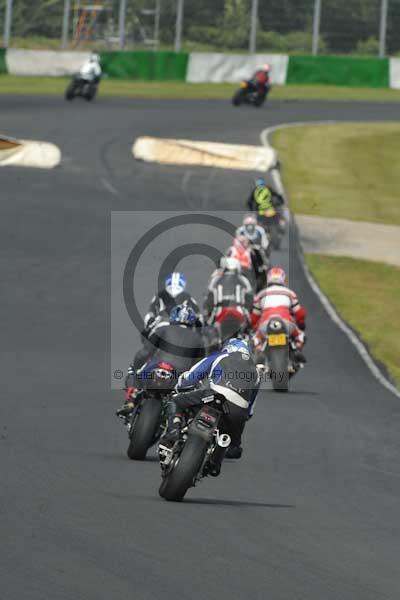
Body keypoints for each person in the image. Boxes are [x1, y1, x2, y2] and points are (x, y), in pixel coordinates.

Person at [160, 338, 260, 468]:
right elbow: (250, 408)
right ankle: (216, 461)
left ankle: (173, 431)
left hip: (213, 396)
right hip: (238, 412)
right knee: (234, 447)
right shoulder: (257, 372)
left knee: (175, 401)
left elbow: (192, 376)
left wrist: (179, 388)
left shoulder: (219, 356)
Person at [117, 305, 205, 418]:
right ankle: (177, 419)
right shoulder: (198, 340)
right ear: (192, 322)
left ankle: (130, 400)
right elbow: (199, 365)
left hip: (157, 366)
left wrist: (134, 367)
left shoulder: (162, 329)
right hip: (179, 375)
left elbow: (145, 352)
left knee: (133, 372)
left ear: (173, 318)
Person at [251, 267, 307, 364]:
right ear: (283, 279)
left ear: (269, 279)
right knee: (300, 335)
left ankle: (260, 351)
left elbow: (254, 317)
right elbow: (299, 313)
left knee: (255, 338)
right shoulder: (290, 293)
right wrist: (301, 324)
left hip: (266, 323)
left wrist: (253, 327)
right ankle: (297, 349)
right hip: (286, 322)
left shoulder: (260, 295)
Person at [204, 257, 253, 341]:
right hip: (239, 314)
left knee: (209, 333)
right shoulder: (244, 280)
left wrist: (208, 316)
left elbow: (209, 302)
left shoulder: (215, 279)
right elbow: (250, 300)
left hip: (220, 315)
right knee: (250, 333)